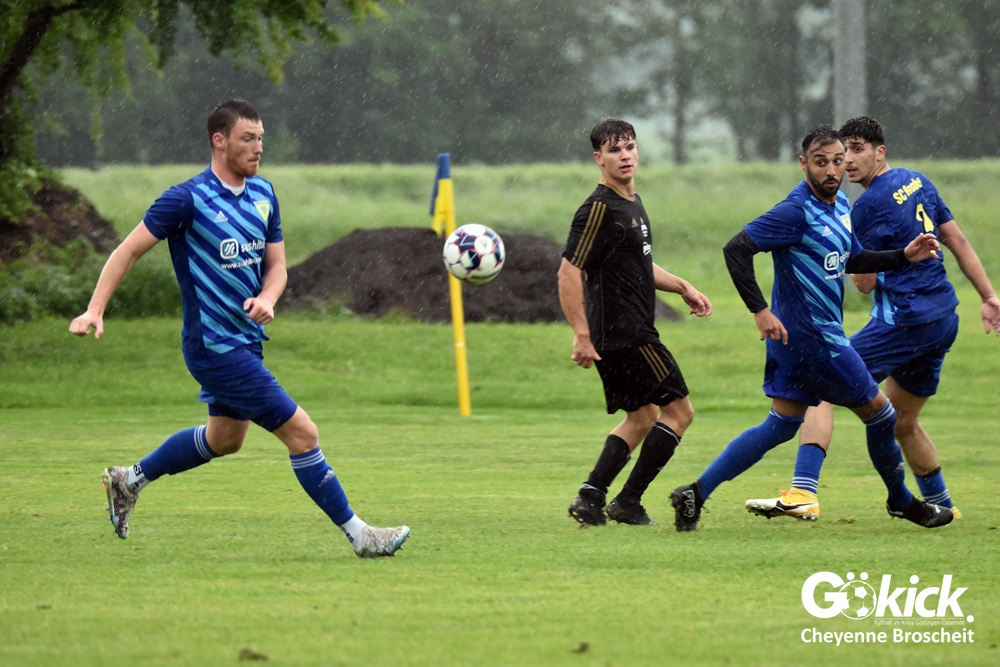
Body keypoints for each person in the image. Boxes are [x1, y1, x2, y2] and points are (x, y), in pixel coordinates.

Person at [69, 99, 410, 558]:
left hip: (246, 342)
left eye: (261, 138)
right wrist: (95, 309)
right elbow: (127, 251)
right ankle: (361, 535)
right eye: (248, 138)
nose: (258, 147)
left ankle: (128, 480)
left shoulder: (264, 194)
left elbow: (278, 267)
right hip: (213, 346)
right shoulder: (186, 199)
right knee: (303, 433)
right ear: (220, 141)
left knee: (225, 439)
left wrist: (267, 298)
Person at [668, 126, 954, 532]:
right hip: (816, 341)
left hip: (795, 342)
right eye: (821, 163)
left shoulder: (839, 205)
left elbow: (854, 259)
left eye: (838, 161)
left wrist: (903, 255)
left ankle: (695, 493)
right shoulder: (795, 211)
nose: (832, 170)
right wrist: (760, 311)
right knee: (881, 415)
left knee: (780, 425)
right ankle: (903, 502)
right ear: (804, 164)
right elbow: (737, 249)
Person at [745, 116, 1000, 522]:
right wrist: (988, 296)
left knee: (820, 387)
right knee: (903, 420)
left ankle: (803, 491)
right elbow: (957, 239)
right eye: (844, 151)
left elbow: (863, 284)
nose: (847, 160)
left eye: (857, 150)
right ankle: (943, 505)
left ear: (880, 152)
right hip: (943, 319)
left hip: (904, 320)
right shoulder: (917, 180)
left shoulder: (866, 205)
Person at [559, 118, 713, 527]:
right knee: (680, 413)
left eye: (629, 147)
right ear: (599, 158)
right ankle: (628, 501)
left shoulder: (630, 202)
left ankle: (590, 497)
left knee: (642, 417)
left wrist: (683, 287)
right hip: (628, 333)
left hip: (620, 333)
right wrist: (580, 334)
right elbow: (568, 271)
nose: (625, 156)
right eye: (615, 150)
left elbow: (640, 264)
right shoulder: (598, 209)